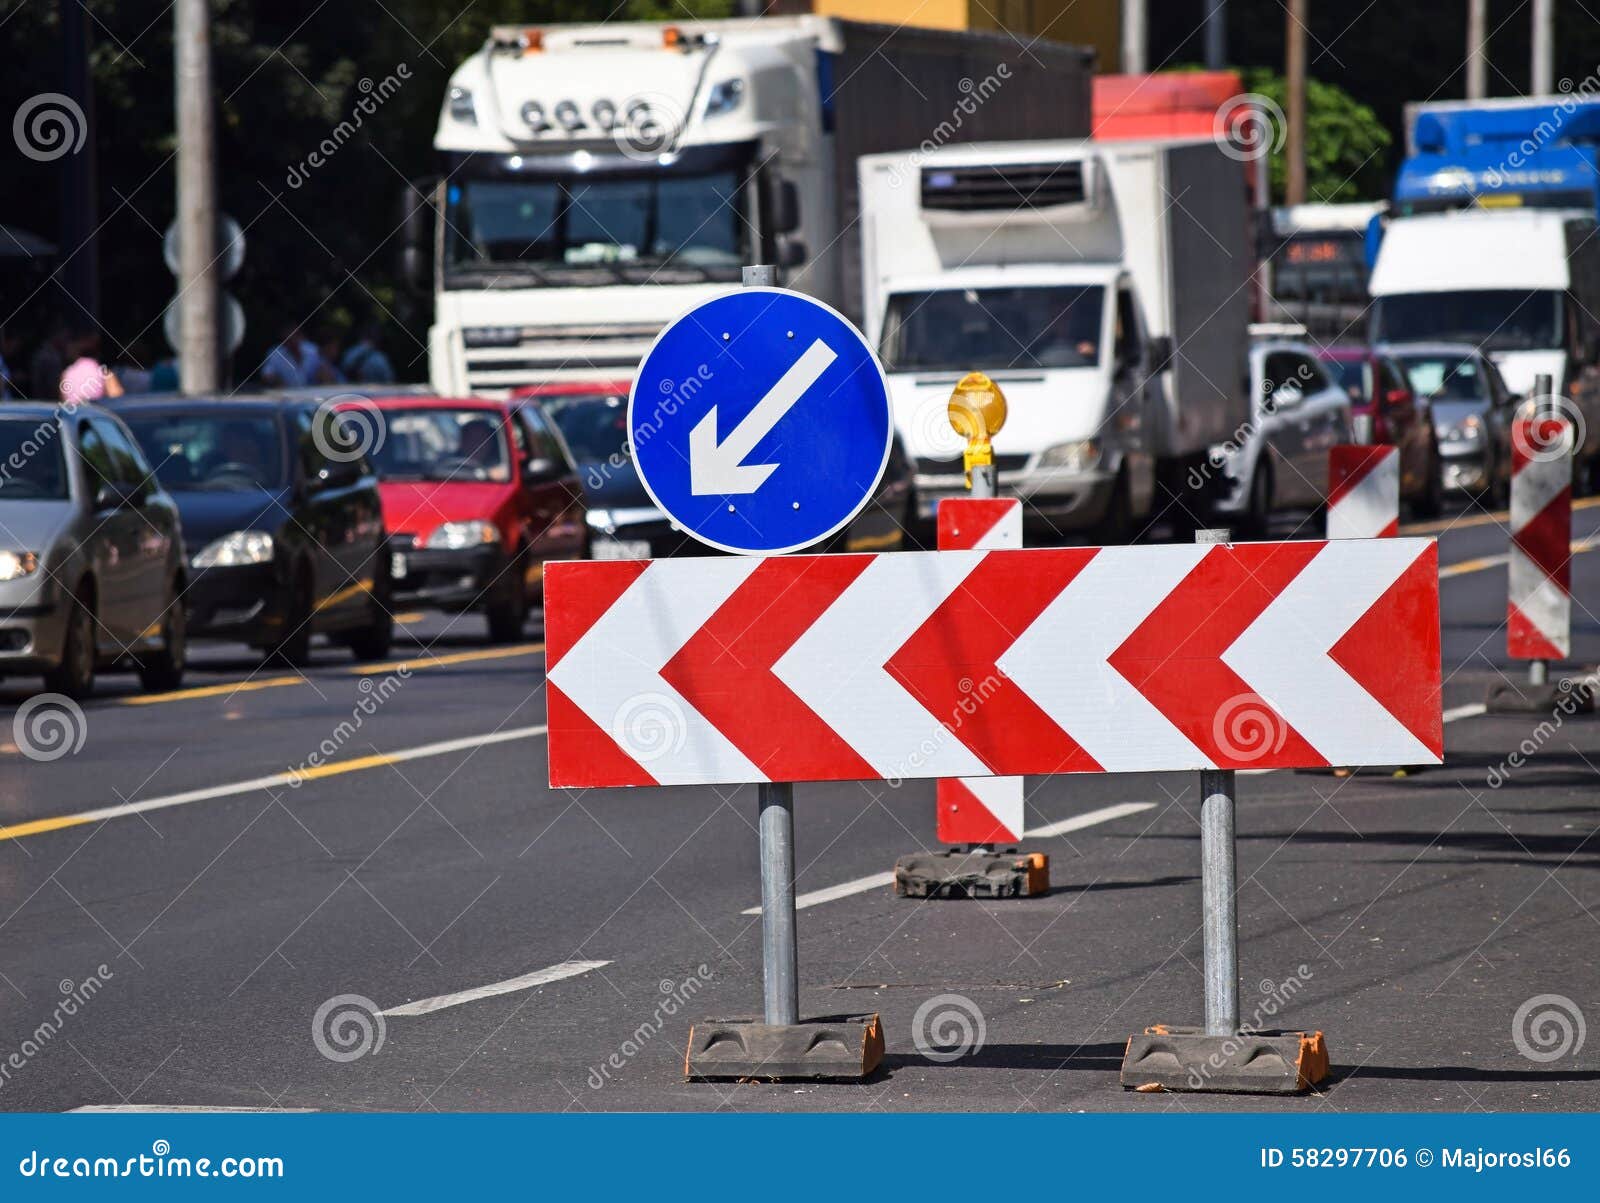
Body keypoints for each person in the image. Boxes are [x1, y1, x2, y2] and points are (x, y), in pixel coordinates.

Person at [58, 328, 123, 404]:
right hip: (95, 413)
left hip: (74, 414)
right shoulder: (104, 373)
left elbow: (64, 402)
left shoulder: (66, 373)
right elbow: (117, 398)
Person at [29, 321, 69, 401]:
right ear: (57, 336)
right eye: (64, 337)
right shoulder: (50, 357)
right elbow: (53, 386)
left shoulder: (44, 352)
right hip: (47, 402)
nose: (66, 342)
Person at [260, 323, 308, 389]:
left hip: (312, 393)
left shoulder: (312, 350)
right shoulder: (275, 353)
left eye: (296, 336)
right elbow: (267, 375)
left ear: (301, 336)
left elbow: (323, 370)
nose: (293, 340)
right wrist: (275, 380)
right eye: (289, 339)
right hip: (286, 393)